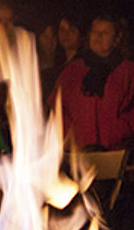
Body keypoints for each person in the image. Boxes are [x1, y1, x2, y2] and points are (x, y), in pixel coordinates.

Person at [53, 15, 134, 150]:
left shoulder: (129, 72)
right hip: (78, 152)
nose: (98, 36)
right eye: (95, 32)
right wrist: (70, 137)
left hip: (118, 152)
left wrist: (117, 134)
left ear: (116, 39)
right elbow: (58, 108)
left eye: (104, 33)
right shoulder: (72, 71)